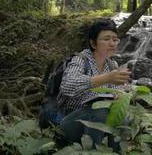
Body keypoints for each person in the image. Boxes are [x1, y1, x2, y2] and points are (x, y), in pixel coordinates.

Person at [56, 18, 131, 147]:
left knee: (122, 115)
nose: (112, 43)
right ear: (93, 43)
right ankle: (92, 150)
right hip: (69, 123)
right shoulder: (80, 60)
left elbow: (115, 94)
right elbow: (67, 86)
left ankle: (117, 151)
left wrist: (119, 96)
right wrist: (106, 78)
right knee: (100, 109)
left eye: (115, 39)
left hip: (96, 124)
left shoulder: (113, 65)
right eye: (106, 39)